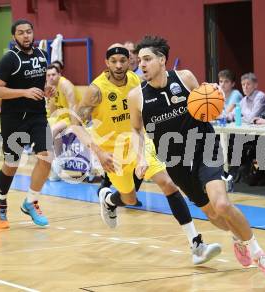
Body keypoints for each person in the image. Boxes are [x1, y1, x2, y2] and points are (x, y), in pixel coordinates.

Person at [129, 36, 265, 280]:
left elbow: (206, 105)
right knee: (213, 215)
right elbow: (136, 130)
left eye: (147, 59)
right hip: (175, 161)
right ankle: (237, 237)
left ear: (162, 60)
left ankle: (259, 254)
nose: (142, 65)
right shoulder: (136, 96)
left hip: (203, 147)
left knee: (222, 204)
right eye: (139, 61)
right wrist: (140, 158)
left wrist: (215, 98)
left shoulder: (185, 78)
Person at [70, 43, 221, 265]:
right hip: (113, 152)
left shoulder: (137, 81)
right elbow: (75, 123)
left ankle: (196, 245)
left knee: (168, 183)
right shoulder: (96, 90)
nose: (119, 65)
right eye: (114, 61)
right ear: (106, 63)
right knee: (130, 199)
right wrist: (99, 152)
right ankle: (110, 200)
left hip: (139, 144)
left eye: (123, 60)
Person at [0, 19, 53, 229]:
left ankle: (31, 201)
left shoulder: (42, 55)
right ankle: (0, 203)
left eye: (28, 32)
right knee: (12, 164)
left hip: (37, 115)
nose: (26, 36)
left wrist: (47, 90)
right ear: (14, 37)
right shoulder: (9, 59)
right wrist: (23, 93)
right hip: (13, 118)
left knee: (46, 158)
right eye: (21, 33)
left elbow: (39, 84)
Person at [45, 64, 76, 181]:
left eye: (53, 74)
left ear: (59, 75)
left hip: (75, 116)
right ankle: (56, 162)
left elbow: (74, 107)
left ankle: (54, 163)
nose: (51, 77)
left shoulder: (65, 85)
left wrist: (75, 127)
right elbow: (52, 111)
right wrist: (48, 98)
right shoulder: (51, 87)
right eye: (48, 75)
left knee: (53, 130)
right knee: (43, 127)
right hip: (62, 117)